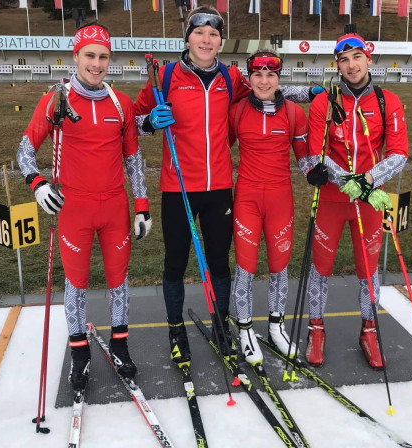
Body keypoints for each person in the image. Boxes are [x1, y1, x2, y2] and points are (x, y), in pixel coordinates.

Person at [133, 5, 320, 365]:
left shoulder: (232, 77)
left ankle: (222, 324)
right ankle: (176, 331)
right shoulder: (168, 75)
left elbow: (270, 88)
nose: (206, 39)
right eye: (199, 32)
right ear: (187, 37)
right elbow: (134, 121)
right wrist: (150, 123)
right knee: (175, 263)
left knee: (220, 263)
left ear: (220, 41)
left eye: (213, 33)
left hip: (219, 186)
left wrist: (311, 90)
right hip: (178, 188)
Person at [16, 23, 152, 390]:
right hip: (73, 206)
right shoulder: (56, 100)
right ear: (75, 56)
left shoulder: (120, 104)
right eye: (89, 56)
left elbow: (134, 159)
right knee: (75, 283)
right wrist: (38, 183)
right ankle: (80, 355)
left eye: (103, 56)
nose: (96, 64)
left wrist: (142, 205)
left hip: (113, 207)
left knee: (118, 281)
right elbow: (25, 150)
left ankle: (120, 348)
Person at [304, 32, 409, 370]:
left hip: (369, 200)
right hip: (333, 200)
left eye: (356, 57)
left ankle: (368, 329)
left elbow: (398, 154)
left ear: (368, 59)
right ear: (337, 65)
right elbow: (316, 153)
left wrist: (367, 181)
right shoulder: (324, 102)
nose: (351, 65)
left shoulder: (387, 101)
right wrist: (348, 181)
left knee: (368, 271)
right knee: (320, 268)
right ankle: (316, 329)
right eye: (343, 60)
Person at [227, 49, 313, 365]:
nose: (264, 81)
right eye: (258, 75)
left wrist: (312, 170)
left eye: (271, 75)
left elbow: (304, 157)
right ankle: (246, 329)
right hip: (247, 198)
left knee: (279, 267)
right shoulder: (236, 111)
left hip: (280, 199)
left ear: (279, 78)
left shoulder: (293, 113)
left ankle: (276, 327)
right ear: (249, 79)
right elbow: (220, 150)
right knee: (245, 269)